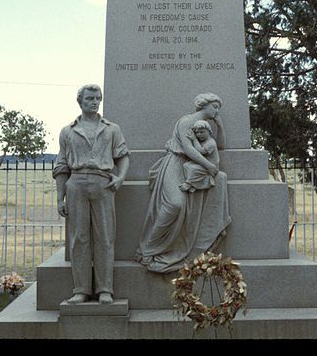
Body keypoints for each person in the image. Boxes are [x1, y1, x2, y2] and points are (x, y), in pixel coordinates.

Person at [135, 93, 231, 273]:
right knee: (174, 204)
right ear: (204, 105)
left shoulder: (206, 127)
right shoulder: (186, 122)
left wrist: (220, 124)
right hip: (176, 163)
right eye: (215, 106)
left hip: (192, 167)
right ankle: (147, 249)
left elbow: (221, 146)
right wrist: (208, 166)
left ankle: (174, 246)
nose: (217, 111)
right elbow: (187, 149)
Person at [53, 84, 130, 304]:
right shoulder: (68, 131)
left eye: (98, 98)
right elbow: (61, 166)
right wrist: (60, 197)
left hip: (103, 183)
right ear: (80, 100)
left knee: (105, 237)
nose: (95, 101)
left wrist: (121, 177)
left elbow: (123, 155)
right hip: (76, 183)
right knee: (79, 238)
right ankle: (81, 290)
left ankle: (105, 289)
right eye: (90, 98)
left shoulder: (112, 128)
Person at [179, 120, 220, 192]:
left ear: (209, 131)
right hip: (203, 164)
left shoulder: (211, 143)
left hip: (211, 165)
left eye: (202, 132)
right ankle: (195, 184)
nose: (199, 134)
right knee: (186, 165)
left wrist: (194, 139)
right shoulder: (203, 141)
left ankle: (189, 183)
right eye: (197, 133)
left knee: (193, 169)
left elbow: (201, 151)